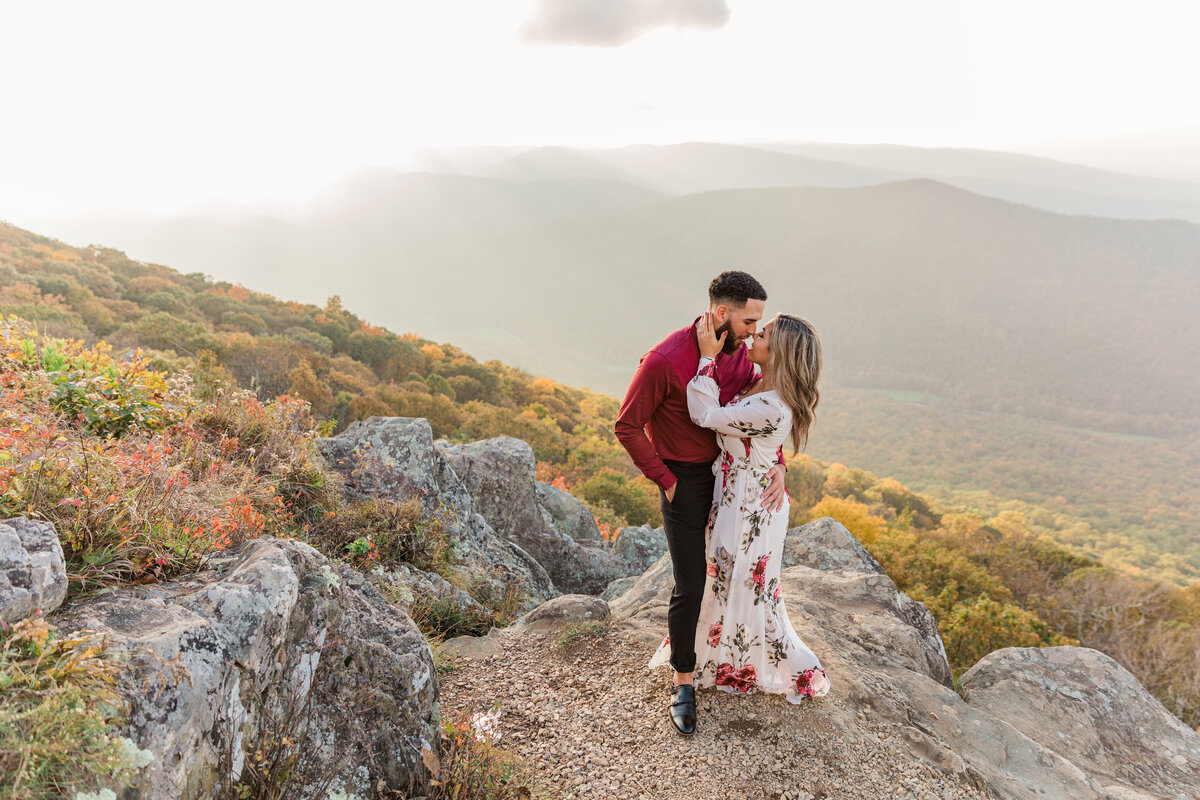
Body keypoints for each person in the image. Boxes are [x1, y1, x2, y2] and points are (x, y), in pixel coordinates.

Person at [615, 271, 789, 736]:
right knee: (690, 584)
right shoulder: (664, 359)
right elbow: (626, 425)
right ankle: (684, 680)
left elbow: (762, 412)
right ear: (721, 314)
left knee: (730, 575)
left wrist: (780, 464)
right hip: (685, 482)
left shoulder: (740, 358)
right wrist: (666, 480)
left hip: (732, 479)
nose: (756, 330)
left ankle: (728, 655)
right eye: (751, 321)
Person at [645, 309, 831, 710]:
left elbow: (706, 415)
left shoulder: (771, 405)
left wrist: (707, 358)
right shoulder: (760, 384)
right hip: (737, 495)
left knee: (743, 586)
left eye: (762, 335)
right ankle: (719, 657)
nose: (753, 338)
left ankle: (741, 662)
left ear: (778, 352)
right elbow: (763, 442)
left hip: (751, 509)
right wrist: (779, 463)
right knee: (728, 581)